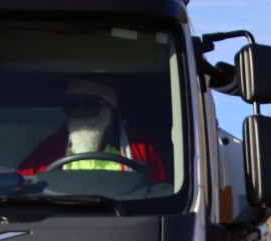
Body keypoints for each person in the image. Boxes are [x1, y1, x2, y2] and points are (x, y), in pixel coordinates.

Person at [16, 76, 167, 182]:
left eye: (91, 103)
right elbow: (20, 183)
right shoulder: (50, 148)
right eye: (74, 104)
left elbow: (160, 192)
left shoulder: (140, 146)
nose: (82, 110)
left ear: (109, 106)